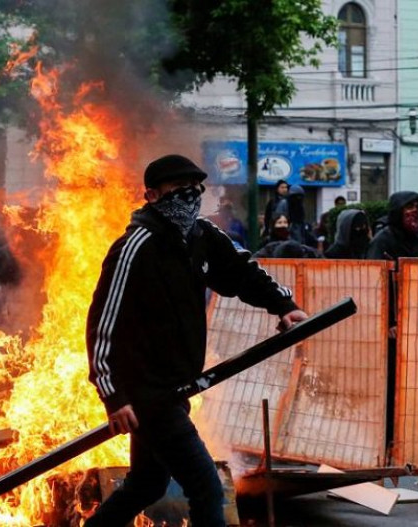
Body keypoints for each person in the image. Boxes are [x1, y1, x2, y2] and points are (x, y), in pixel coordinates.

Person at [85, 154, 307, 527]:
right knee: (206, 487)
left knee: (147, 484)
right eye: (178, 190)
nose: (189, 196)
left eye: (195, 189)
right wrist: (114, 395)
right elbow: (102, 323)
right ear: (152, 196)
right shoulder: (135, 246)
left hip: (176, 388)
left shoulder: (201, 235)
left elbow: (241, 272)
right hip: (149, 394)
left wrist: (283, 305)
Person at [366, 191, 418, 261]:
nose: (415, 210)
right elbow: (374, 269)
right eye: (409, 207)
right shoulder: (382, 241)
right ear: (398, 212)